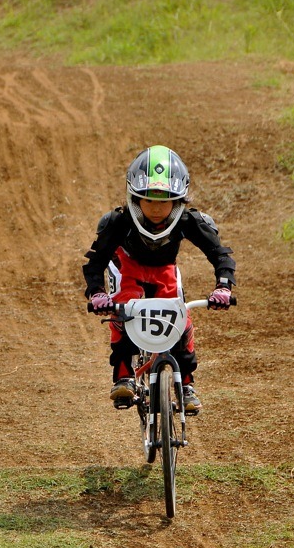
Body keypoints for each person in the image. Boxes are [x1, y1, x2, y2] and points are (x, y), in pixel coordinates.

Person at [83, 145, 236, 413]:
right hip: (127, 266)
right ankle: (123, 376)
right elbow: (96, 260)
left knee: (181, 321)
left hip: (164, 269)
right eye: (149, 200)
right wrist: (97, 293)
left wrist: (222, 286)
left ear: (177, 201)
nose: (156, 209)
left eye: (164, 201)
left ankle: (186, 385)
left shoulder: (189, 220)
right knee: (123, 312)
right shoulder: (119, 222)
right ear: (135, 198)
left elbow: (219, 253)